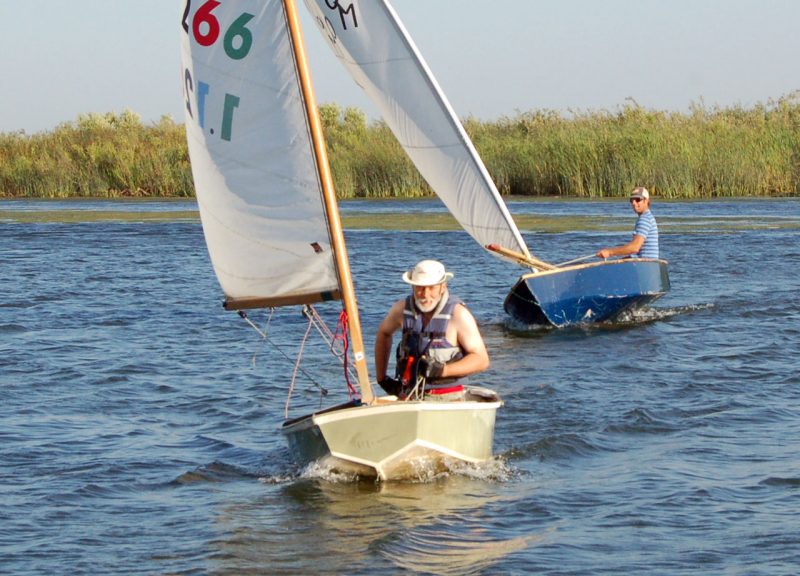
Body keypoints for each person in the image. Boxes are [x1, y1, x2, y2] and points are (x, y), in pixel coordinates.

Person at [374, 259, 490, 401]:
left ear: (443, 287)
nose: (425, 294)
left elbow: (481, 360)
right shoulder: (401, 310)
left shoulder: (458, 315)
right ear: (413, 287)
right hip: (409, 395)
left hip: (448, 398)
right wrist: (382, 378)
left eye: (431, 288)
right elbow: (384, 333)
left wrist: (443, 370)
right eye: (420, 287)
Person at [596, 186, 660, 259]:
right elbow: (638, 252)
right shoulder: (648, 217)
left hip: (645, 265)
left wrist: (609, 252)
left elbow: (635, 247)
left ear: (646, 201)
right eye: (632, 200)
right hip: (646, 265)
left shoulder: (645, 219)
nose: (634, 203)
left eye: (637, 199)